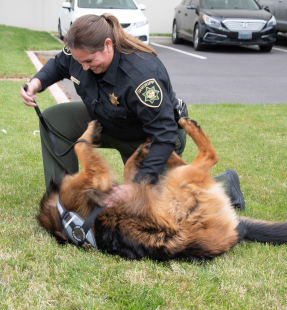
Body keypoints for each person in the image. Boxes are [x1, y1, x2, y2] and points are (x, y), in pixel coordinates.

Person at [20, 13, 245, 209]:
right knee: (54, 120)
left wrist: (136, 186)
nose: (84, 67)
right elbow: (60, 63)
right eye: (81, 62)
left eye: (90, 61)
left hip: (148, 139)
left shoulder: (141, 77)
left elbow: (164, 135)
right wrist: (36, 84)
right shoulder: (81, 50)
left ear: (108, 45)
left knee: (162, 200)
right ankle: (65, 199)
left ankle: (224, 185)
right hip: (107, 122)